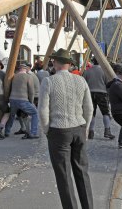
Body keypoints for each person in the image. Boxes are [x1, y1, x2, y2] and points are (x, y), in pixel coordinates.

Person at [38, 49, 94, 209]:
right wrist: (86, 127)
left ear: (55, 63)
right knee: (82, 171)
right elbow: (88, 108)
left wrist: (47, 130)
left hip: (59, 130)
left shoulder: (48, 81)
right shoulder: (80, 80)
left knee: (64, 176)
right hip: (79, 128)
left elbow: (42, 110)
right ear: (69, 64)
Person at [83, 57, 115, 140]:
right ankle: (107, 131)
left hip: (89, 93)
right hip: (102, 94)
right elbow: (108, 84)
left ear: (93, 62)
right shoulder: (104, 72)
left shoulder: (87, 71)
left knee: (92, 113)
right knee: (105, 112)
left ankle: (91, 132)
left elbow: (83, 83)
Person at [4, 63, 39, 139]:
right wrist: (31, 101)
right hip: (23, 100)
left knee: (12, 115)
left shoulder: (14, 76)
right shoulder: (28, 77)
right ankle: (33, 132)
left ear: (19, 69)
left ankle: (7, 131)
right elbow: (31, 91)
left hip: (12, 99)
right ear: (25, 69)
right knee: (35, 113)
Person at [0, 60, 9, 140]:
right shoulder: (3, 74)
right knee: (7, 112)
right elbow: (7, 85)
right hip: (0, 96)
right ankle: (0, 128)